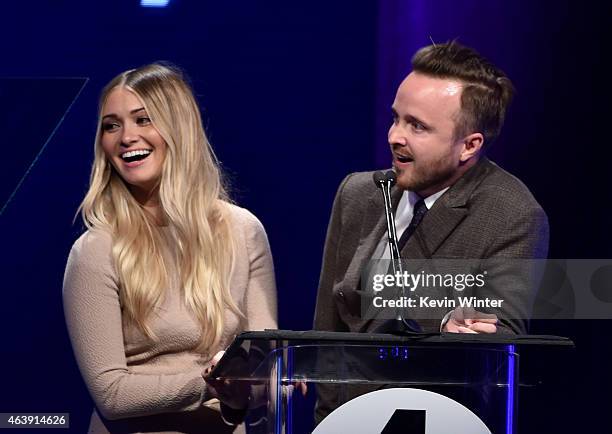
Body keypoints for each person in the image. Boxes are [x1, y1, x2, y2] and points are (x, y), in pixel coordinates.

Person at [313, 41, 549, 420]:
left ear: (469, 146)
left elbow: (498, 340)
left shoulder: (512, 214)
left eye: (417, 126)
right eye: (396, 118)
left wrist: (443, 323)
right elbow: (325, 334)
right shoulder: (358, 194)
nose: (395, 136)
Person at [63, 63, 277, 433]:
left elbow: (263, 369)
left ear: (179, 128)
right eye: (112, 125)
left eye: (143, 120)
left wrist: (272, 379)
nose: (126, 137)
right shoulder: (96, 250)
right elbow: (111, 394)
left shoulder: (243, 232)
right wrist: (211, 382)